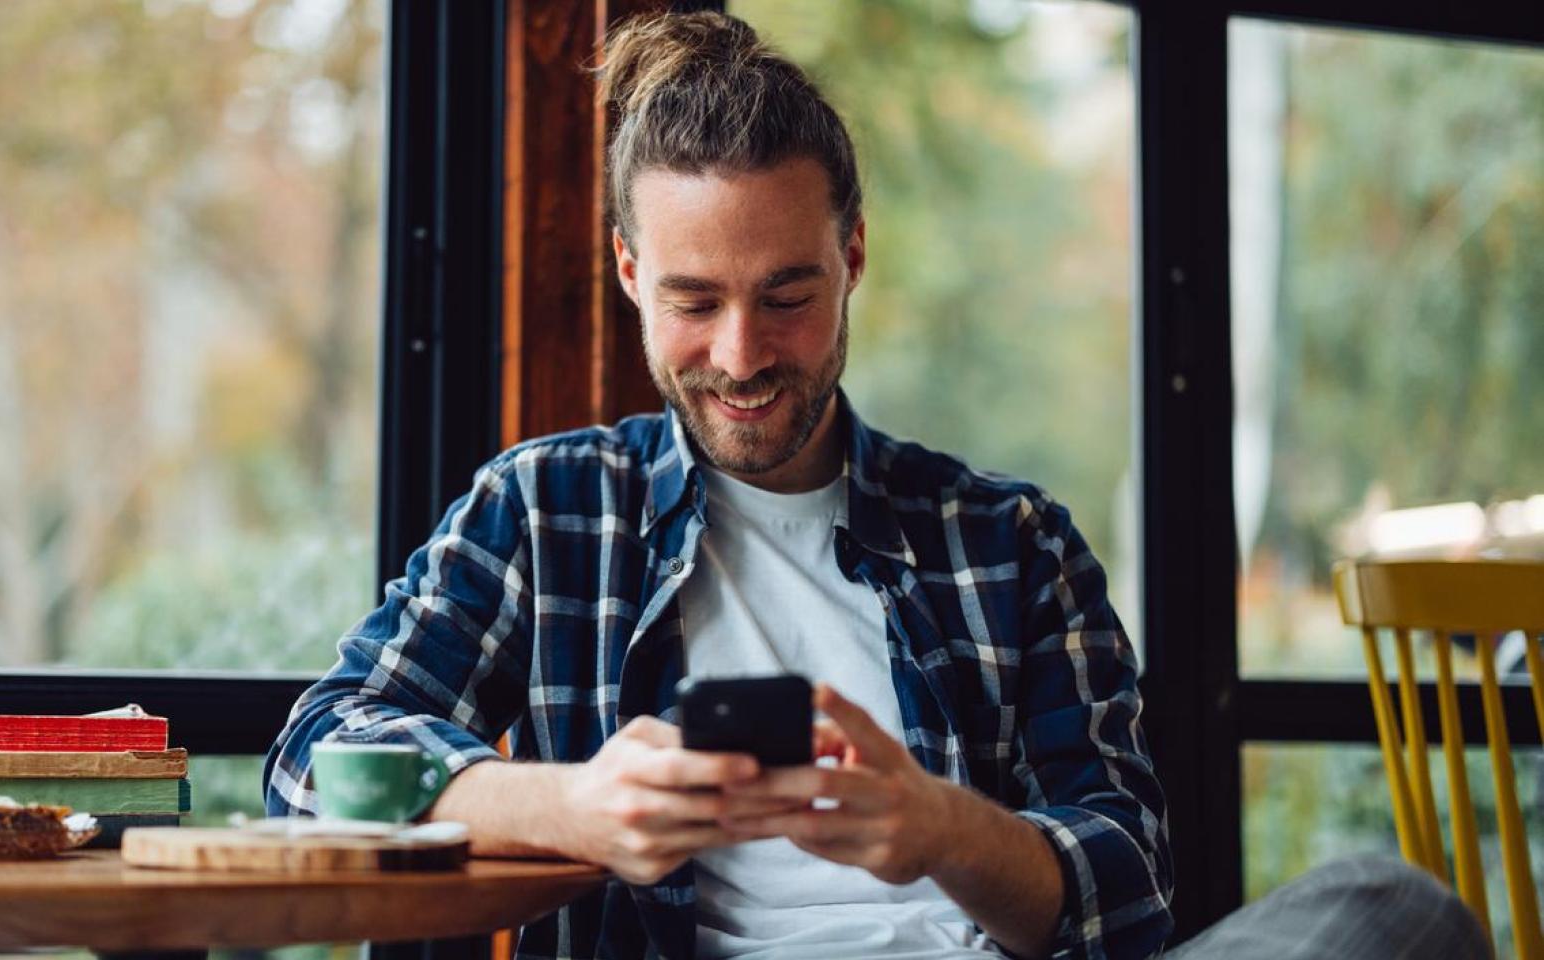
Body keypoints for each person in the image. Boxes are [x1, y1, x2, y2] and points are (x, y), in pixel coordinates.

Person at [265, 11, 1485, 960]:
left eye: (787, 296)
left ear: (852, 256)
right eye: (694, 302)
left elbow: (1132, 887)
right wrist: (571, 803)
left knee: (1387, 902)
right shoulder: (547, 509)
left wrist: (940, 829)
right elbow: (315, 758)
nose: (741, 357)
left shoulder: (1009, 541)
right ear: (630, 273)